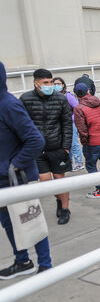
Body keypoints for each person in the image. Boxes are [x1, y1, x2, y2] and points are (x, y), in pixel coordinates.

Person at [0, 61, 52, 279]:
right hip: (3, 179)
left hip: (15, 176)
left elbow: (35, 140)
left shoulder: (8, 104)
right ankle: (22, 261)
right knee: (9, 224)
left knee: (30, 220)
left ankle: (45, 265)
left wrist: (13, 165)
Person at [20, 69, 73, 225]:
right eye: (46, 83)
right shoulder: (25, 99)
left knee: (59, 179)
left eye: (51, 82)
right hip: (37, 150)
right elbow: (22, 125)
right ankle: (59, 200)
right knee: (45, 182)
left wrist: (66, 146)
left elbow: (67, 123)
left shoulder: (60, 99)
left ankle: (65, 208)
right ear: (36, 83)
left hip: (57, 147)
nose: (50, 85)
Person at [53, 77, 84, 172]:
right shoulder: (53, 96)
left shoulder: (68, 96)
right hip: (60, 124)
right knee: (66, 144)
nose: (56, 86)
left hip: (70, 123)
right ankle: (69, 162)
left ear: (63, 85)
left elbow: (77, 108)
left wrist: (70, 119)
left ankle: (79, 163)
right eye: (54, 84)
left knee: (74, 143)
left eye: (58, 84)